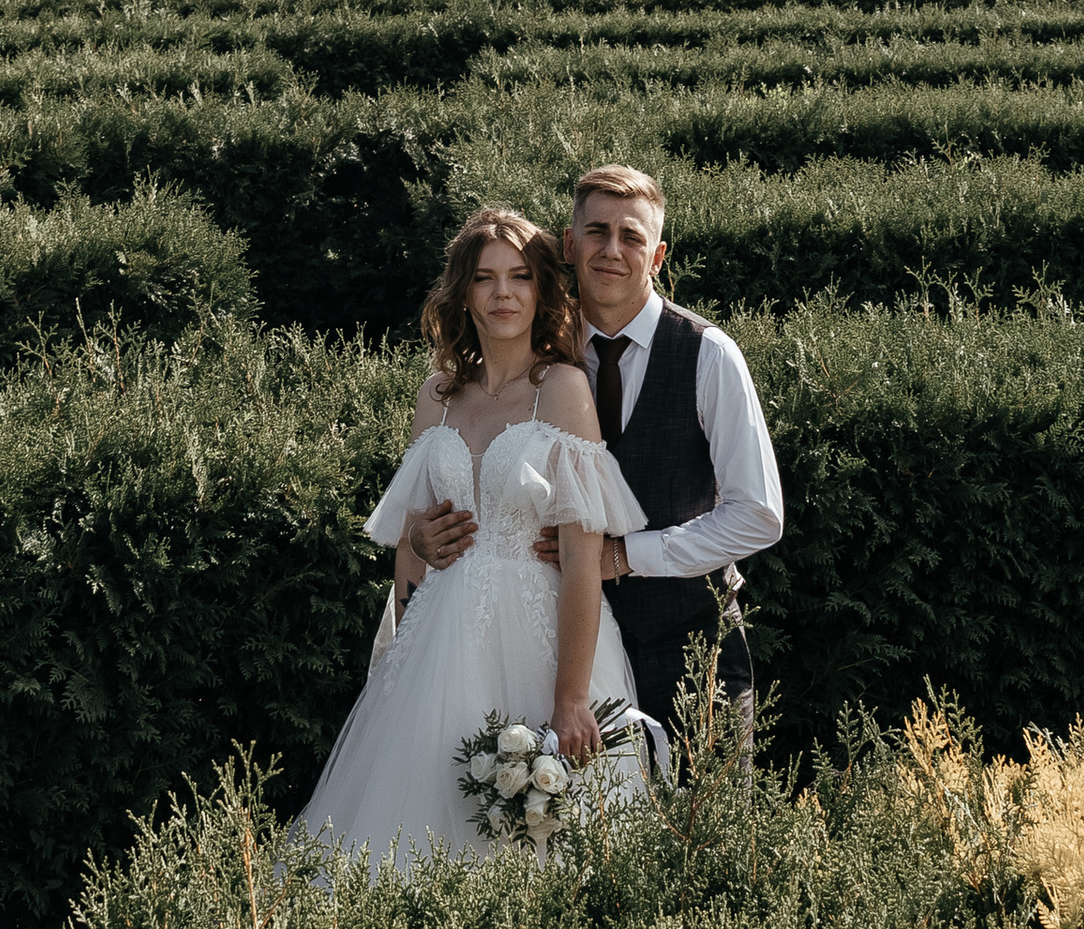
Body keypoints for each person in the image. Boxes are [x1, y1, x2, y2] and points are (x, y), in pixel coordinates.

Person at [291, 206, 650, 871]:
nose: (503, 293)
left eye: (519, 277)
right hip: (437, 641)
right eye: (485, 278)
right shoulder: (436, 395)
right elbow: (411, 541)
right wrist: (397, 663)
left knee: (544, 839)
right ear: (464, 292)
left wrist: (570, 698)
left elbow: (580, 562)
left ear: (541, 290)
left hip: (539, 641)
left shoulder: (564, 389)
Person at [404, 162, 782, 747]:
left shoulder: (709, 357)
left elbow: (758, 514)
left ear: (657, 257)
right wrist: (424, 538)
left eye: (632, 236)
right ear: (570, 245)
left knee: (699, 832)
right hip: (540, 654)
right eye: (598, 233)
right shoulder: (533, 350)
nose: (613, 250)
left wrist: (628, 555)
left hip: (690, 648)